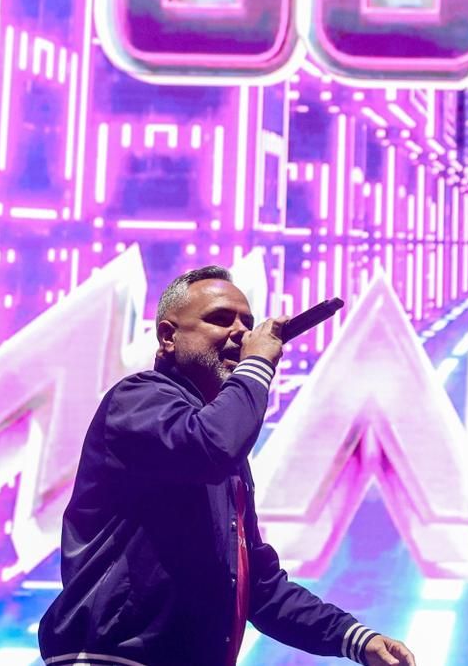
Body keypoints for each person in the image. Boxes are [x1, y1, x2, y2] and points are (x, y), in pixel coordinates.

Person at [38, 266, 416, 666]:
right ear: (168, 337)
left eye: (248, 324)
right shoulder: (138, 400)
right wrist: (257, 365)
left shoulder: (223, 451)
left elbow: (257, 586)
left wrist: (355, 638)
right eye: (220, 319)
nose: (242, 334)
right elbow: (211, 446)